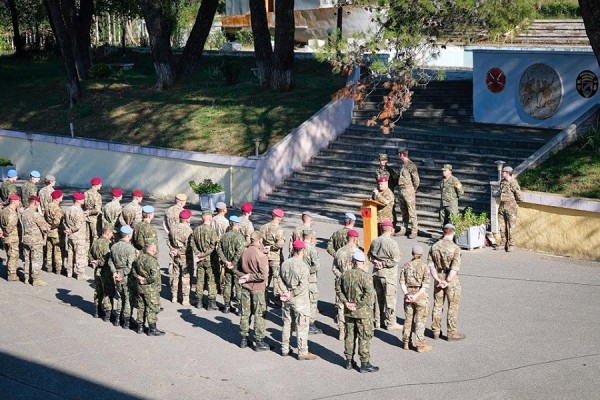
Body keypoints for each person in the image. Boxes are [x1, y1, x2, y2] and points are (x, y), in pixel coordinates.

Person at [336, 250, 378, 373]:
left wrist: (346, 303)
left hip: (349, 311)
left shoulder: (345, 274)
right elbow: (369, 294)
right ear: (363, 262)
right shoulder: (365, 276)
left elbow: (338, 290)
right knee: (364, 336)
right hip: (362, 313)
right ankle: (364, 363)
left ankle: (348, 361)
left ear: (353, 261)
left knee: (350, 336)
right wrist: (358, 304)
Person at [276, 240, 318, 360]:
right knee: (302, 325)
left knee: (287, 323)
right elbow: (303, 285)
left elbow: (279, 279)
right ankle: (302, 351)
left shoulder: (285, 263)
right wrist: (292, 294)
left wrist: (286, 292)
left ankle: (284, 348)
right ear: (302, 251)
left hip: (287, 299)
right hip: (300, 300)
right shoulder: (303, 266)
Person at [428, 223, 465, 341]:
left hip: (438, 276)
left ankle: (435, 331)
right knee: (452, 306)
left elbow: (430, 265)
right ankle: (451, 332)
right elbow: (455, 267)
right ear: (453, 232)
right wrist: (447, 281)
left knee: (438, 305)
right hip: (451, 279)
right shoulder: (455, 248)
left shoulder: (434, 246)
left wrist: (437, 279)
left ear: (443, 232)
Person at [236, 231, 269, 351]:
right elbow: (263, 275)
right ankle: (259, 341)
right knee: (259, 314)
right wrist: (250, 277)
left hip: (245, 287)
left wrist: (245, 276)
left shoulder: (244, 252)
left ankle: (244, 339)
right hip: (258, 289)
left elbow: (237, 269)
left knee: (246, 313)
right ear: (260, 241)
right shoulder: (261, 255)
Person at [369, 220, 402, 330]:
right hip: (388, 275)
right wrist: (383, 263)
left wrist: (375, 262)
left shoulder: (375, 241)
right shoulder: (392, 243)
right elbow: (396, 259)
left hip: (376, 273)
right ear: (391, 230)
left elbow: (369, 255)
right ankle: (391, 322)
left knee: (378, 298)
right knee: (390, 298)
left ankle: (378, 321)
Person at [400, 245, 432, 352]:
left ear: (412, 254)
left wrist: (407, 294)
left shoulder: (406, 266)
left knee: (408, 320)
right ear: (421, 255)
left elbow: (402, 282)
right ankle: (420, 344)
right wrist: (416, 296)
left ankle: (406, 342)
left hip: (408, 294)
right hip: (420, 296)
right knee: (420, 320)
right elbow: (425, 285)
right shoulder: (424, 267)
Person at [132, 242, 166, 336]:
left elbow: (133, 270)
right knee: (152, 308)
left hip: (140, 287)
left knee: (141, 306)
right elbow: (154, 276)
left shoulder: (139, 258)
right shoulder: (152, 261)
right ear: (153, 249)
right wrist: (146, 281)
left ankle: (140, 327)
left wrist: (138, 277)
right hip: (150, 289)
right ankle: (152, 328)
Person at [332, 229, 360, 340]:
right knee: (353, 306)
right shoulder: (358, 253)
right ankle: (351, 331)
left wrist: (342, 276)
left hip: (340, 282)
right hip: (354, 284)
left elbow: (334, 268)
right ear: (355, 239)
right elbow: (362, 270)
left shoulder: (339, 251)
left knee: (341, 306)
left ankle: (341, 331)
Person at [109, 225, 137, 329]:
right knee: (128, 298)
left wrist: (115, 272)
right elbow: (130, 265)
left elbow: (110, 261)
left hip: (117, 273)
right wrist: (122, 274)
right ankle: (127, 321)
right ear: (129, 235)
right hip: (126, 275)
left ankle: (117, 318)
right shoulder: (130, 248)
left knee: (120, 296)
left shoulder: (114, 246)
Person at [191, 210, 219, 310]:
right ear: (210, 218)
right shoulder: (212, 231)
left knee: (200, 280)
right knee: (211, 280)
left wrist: (198, 253)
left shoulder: (196, 230)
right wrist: (203, 254)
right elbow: (213, 246)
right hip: (209, 259)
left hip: (199, 260)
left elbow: (192, 243)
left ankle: (199, 302)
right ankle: (211, 303)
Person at [218, 215, 245, 314]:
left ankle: (227, 306)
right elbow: (240, 252)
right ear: (237, 224)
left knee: (228, 285)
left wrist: (225, 261)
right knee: (238, 286)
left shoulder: (224, 236)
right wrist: (233, 263)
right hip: (237, 266)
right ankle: (238, 307)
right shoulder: (239, 237)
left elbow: (219, 249)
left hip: (227, 265)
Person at [21, 195, 50, 286]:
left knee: (27, 259)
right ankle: (36, 279)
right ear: (36, 203)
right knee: (36, 260)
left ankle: (27, 278)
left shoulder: (24, 213)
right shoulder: (35, 214)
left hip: (26, 239)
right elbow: (45, 227)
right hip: (35, 241)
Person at [259, 208, 285, 306]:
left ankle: (263, 298)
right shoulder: (279, 229)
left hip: (265, 255)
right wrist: (272, 247)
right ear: (279, 218)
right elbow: (280, 244)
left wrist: (265, 248)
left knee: (265, 276)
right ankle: (277, 299)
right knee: (276, 277)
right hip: (275, 257)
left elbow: (260, 241)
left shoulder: (263, 227)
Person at [167, 209, 193, 305]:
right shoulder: (188, 230)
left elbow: (168, 240)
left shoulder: (173, 227)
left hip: (175, 255)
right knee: (185, 276)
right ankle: (185, 298)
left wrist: (173, 249)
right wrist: (179, 251)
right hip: (185, 256)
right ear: (187, 219)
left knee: (175, 275)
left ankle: (174, 296)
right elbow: (189, 246)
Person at [89, 226, 114, 320]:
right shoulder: (107, 244)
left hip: (97, 270)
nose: (112, 235)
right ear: (107, 233)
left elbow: (90, 253)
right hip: (105, 271)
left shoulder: (96, 242)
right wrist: (98, 262)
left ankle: (97, 310)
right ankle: (108, 313)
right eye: (111, 233)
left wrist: (93, 262)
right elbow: (106, 260)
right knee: (107, 291)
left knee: (98, 290)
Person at [496, 166, 523, 252]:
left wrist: (516, 203)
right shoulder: (502, 181)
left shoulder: (513, 182)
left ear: (508, 173)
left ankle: (511, 244)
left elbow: (519, 195)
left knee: (511, 226)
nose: (502, 173)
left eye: (503, 172)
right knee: (502, 225)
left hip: (511, 207)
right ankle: (503, 242)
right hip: (502, 206)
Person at [63, 192, 89, 280]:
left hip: (70, 236)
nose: (84, 200)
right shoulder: (79, 211)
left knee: (70, 254)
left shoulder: (68, 209)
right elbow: (78, 225)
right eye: (82, 199)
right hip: (79, 236)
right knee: (80, 255)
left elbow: (64, 221)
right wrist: (72, 230)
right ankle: (80, 274)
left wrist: (68, 229)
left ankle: (69, 272)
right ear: (77, 200)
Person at [302, 228, 322, 334]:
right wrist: (308, 272)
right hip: (310, 279)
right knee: (312, 302)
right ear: (310, 238)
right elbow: (316, 266)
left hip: (299, 279)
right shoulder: (311, 250)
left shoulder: (298, 247)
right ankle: (311, 324)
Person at [397, 148, 420, 238]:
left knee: (411, 211)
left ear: (402, 154)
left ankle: (414, 230)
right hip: (401, 190)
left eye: (399, 154)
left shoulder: (411, 165)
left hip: (408, 190)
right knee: (403, 211)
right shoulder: (402, 165)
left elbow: (416, 179)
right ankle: (404, 228)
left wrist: (413, 189)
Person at [44, 190, 65, 274]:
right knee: (58, 250)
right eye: (61, 196)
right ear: (56, 198)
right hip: (56, 231)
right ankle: (58, 268)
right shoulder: (57, 208)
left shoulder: (48, 205)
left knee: (49, 249)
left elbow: (44, 216)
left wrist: (48, 226)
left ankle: (49, 267)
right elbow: (57, 221)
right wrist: (52, 226)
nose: (62, 197)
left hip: (49, 231)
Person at [376, 153, 399, 230]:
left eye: (384, 160)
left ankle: (393, 225)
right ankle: (381, 225)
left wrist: (391, 187)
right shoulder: (377, 171)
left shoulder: (390, 170)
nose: (382, 162)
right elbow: (377, 181)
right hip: (380, 191)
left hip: (389, 191)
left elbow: (396, 179)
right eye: (381, 160)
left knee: (391, 209)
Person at [0, 194, 20, 281]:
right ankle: (12, 275)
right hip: (11, 237)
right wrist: (5, 233)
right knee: (13, 256)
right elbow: (11, 226)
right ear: (14, 202)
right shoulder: (12, 213)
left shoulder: (4, 210)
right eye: (18, 201)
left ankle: (10, 271)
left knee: (9, 255)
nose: (19, 203)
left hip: (6, 238)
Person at [212, 202, 229, 294]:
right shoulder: (225, 221)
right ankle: (222, 287)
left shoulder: (213, 219)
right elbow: (225, 235)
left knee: (214, 265)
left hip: (213, 244)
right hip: (221, 245)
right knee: (222, 266)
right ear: (223, 209)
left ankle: (214, 284)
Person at [84, 176, 103, 248]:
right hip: (94, 219)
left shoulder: (86, 193)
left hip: (86, 218)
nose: (101, 185)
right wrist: (90, 212)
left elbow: (83, 205)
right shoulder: (97, 195)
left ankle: (85, 254)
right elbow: (97, 209)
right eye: (100, 184)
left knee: (87, 238)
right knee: (95, 237)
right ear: (96, 185)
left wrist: (86, 212)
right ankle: (93, 254)